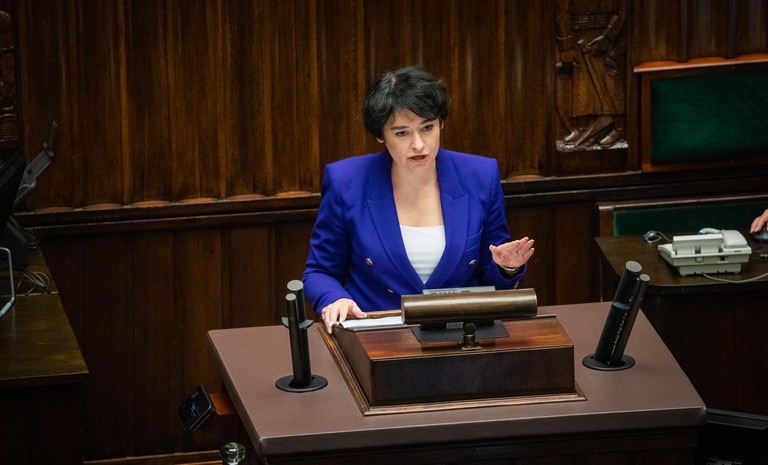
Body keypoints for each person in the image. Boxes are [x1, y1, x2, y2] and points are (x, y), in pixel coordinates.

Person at [303, 66, 535, 334]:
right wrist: (335, 299)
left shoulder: (480, 176)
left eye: (427, 128)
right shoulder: (346, 182)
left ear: (441, 123)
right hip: (378, 334)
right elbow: (319, 271)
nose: (418, 144)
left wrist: (506, 268)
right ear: (380, 135)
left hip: (461, 334)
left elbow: (490, 278)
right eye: (402, 133)